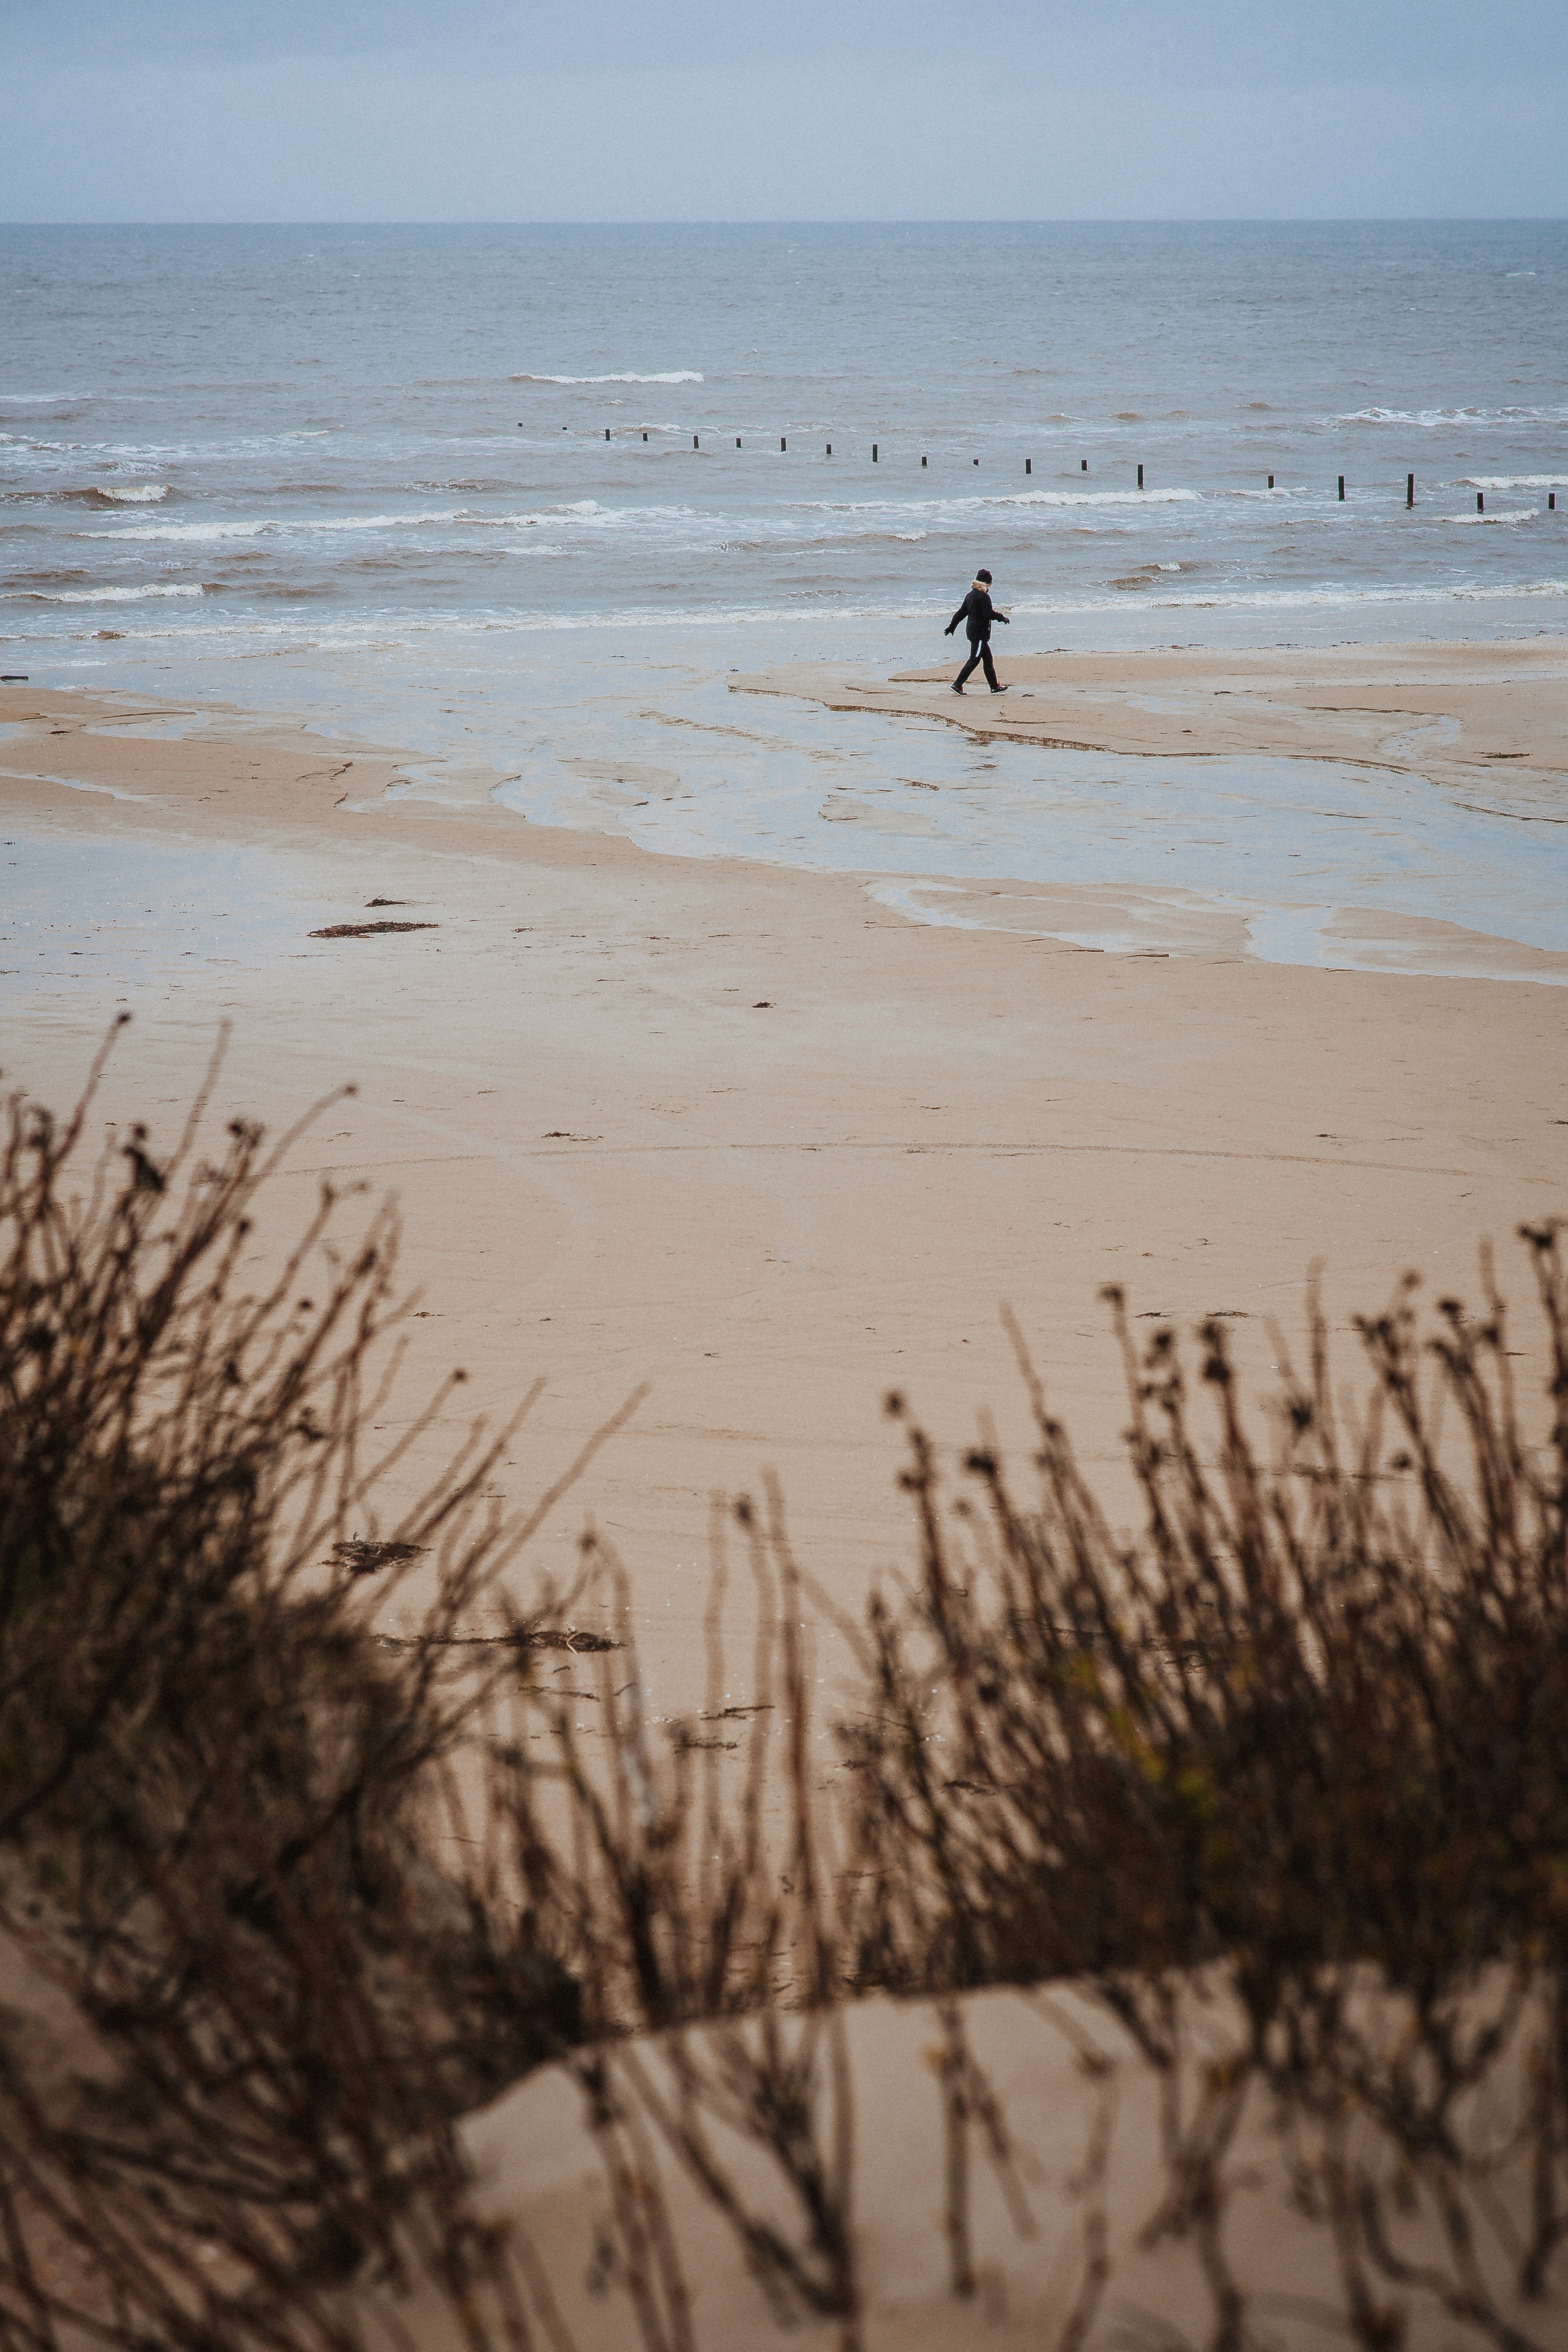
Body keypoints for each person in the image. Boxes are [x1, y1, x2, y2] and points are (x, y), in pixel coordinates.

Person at [944, 568, 1009, 694]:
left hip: (973, 632)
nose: (990, 586)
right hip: (979, 634)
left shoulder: (970, 595)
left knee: (988, 660)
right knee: (974, 659)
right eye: (990, 583)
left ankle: (994, 687)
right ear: (986, 583)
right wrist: (1002, 618)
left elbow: (960, 614)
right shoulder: (984, 596)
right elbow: (988, 613)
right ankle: (957, 685)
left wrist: (952, 627)